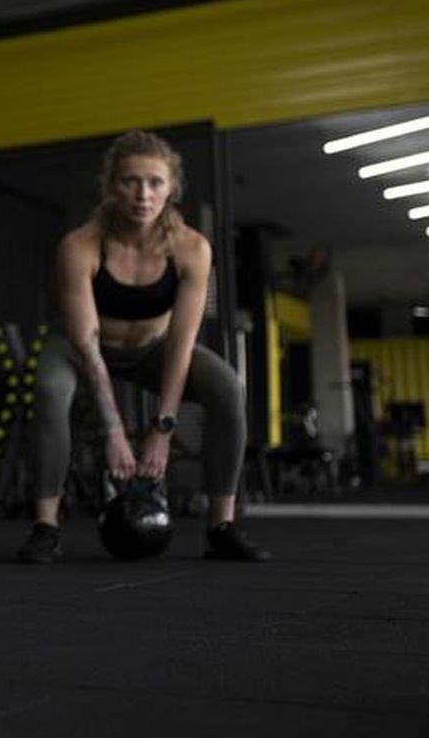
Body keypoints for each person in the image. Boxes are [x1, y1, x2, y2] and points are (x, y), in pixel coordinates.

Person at [15, 130, 270, 564]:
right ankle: (46, 526)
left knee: (227, 387)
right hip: (82, 347)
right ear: (111, 185)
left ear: (171, 188)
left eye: (155, 182)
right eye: (131, 181)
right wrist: (114, 431)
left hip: (154, 348)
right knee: (48, 391)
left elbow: (182, 341)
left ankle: (222, 525)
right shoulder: (79, 246)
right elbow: (85, 340)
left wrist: (163, 429)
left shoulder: (191, 248)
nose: (143, 194)